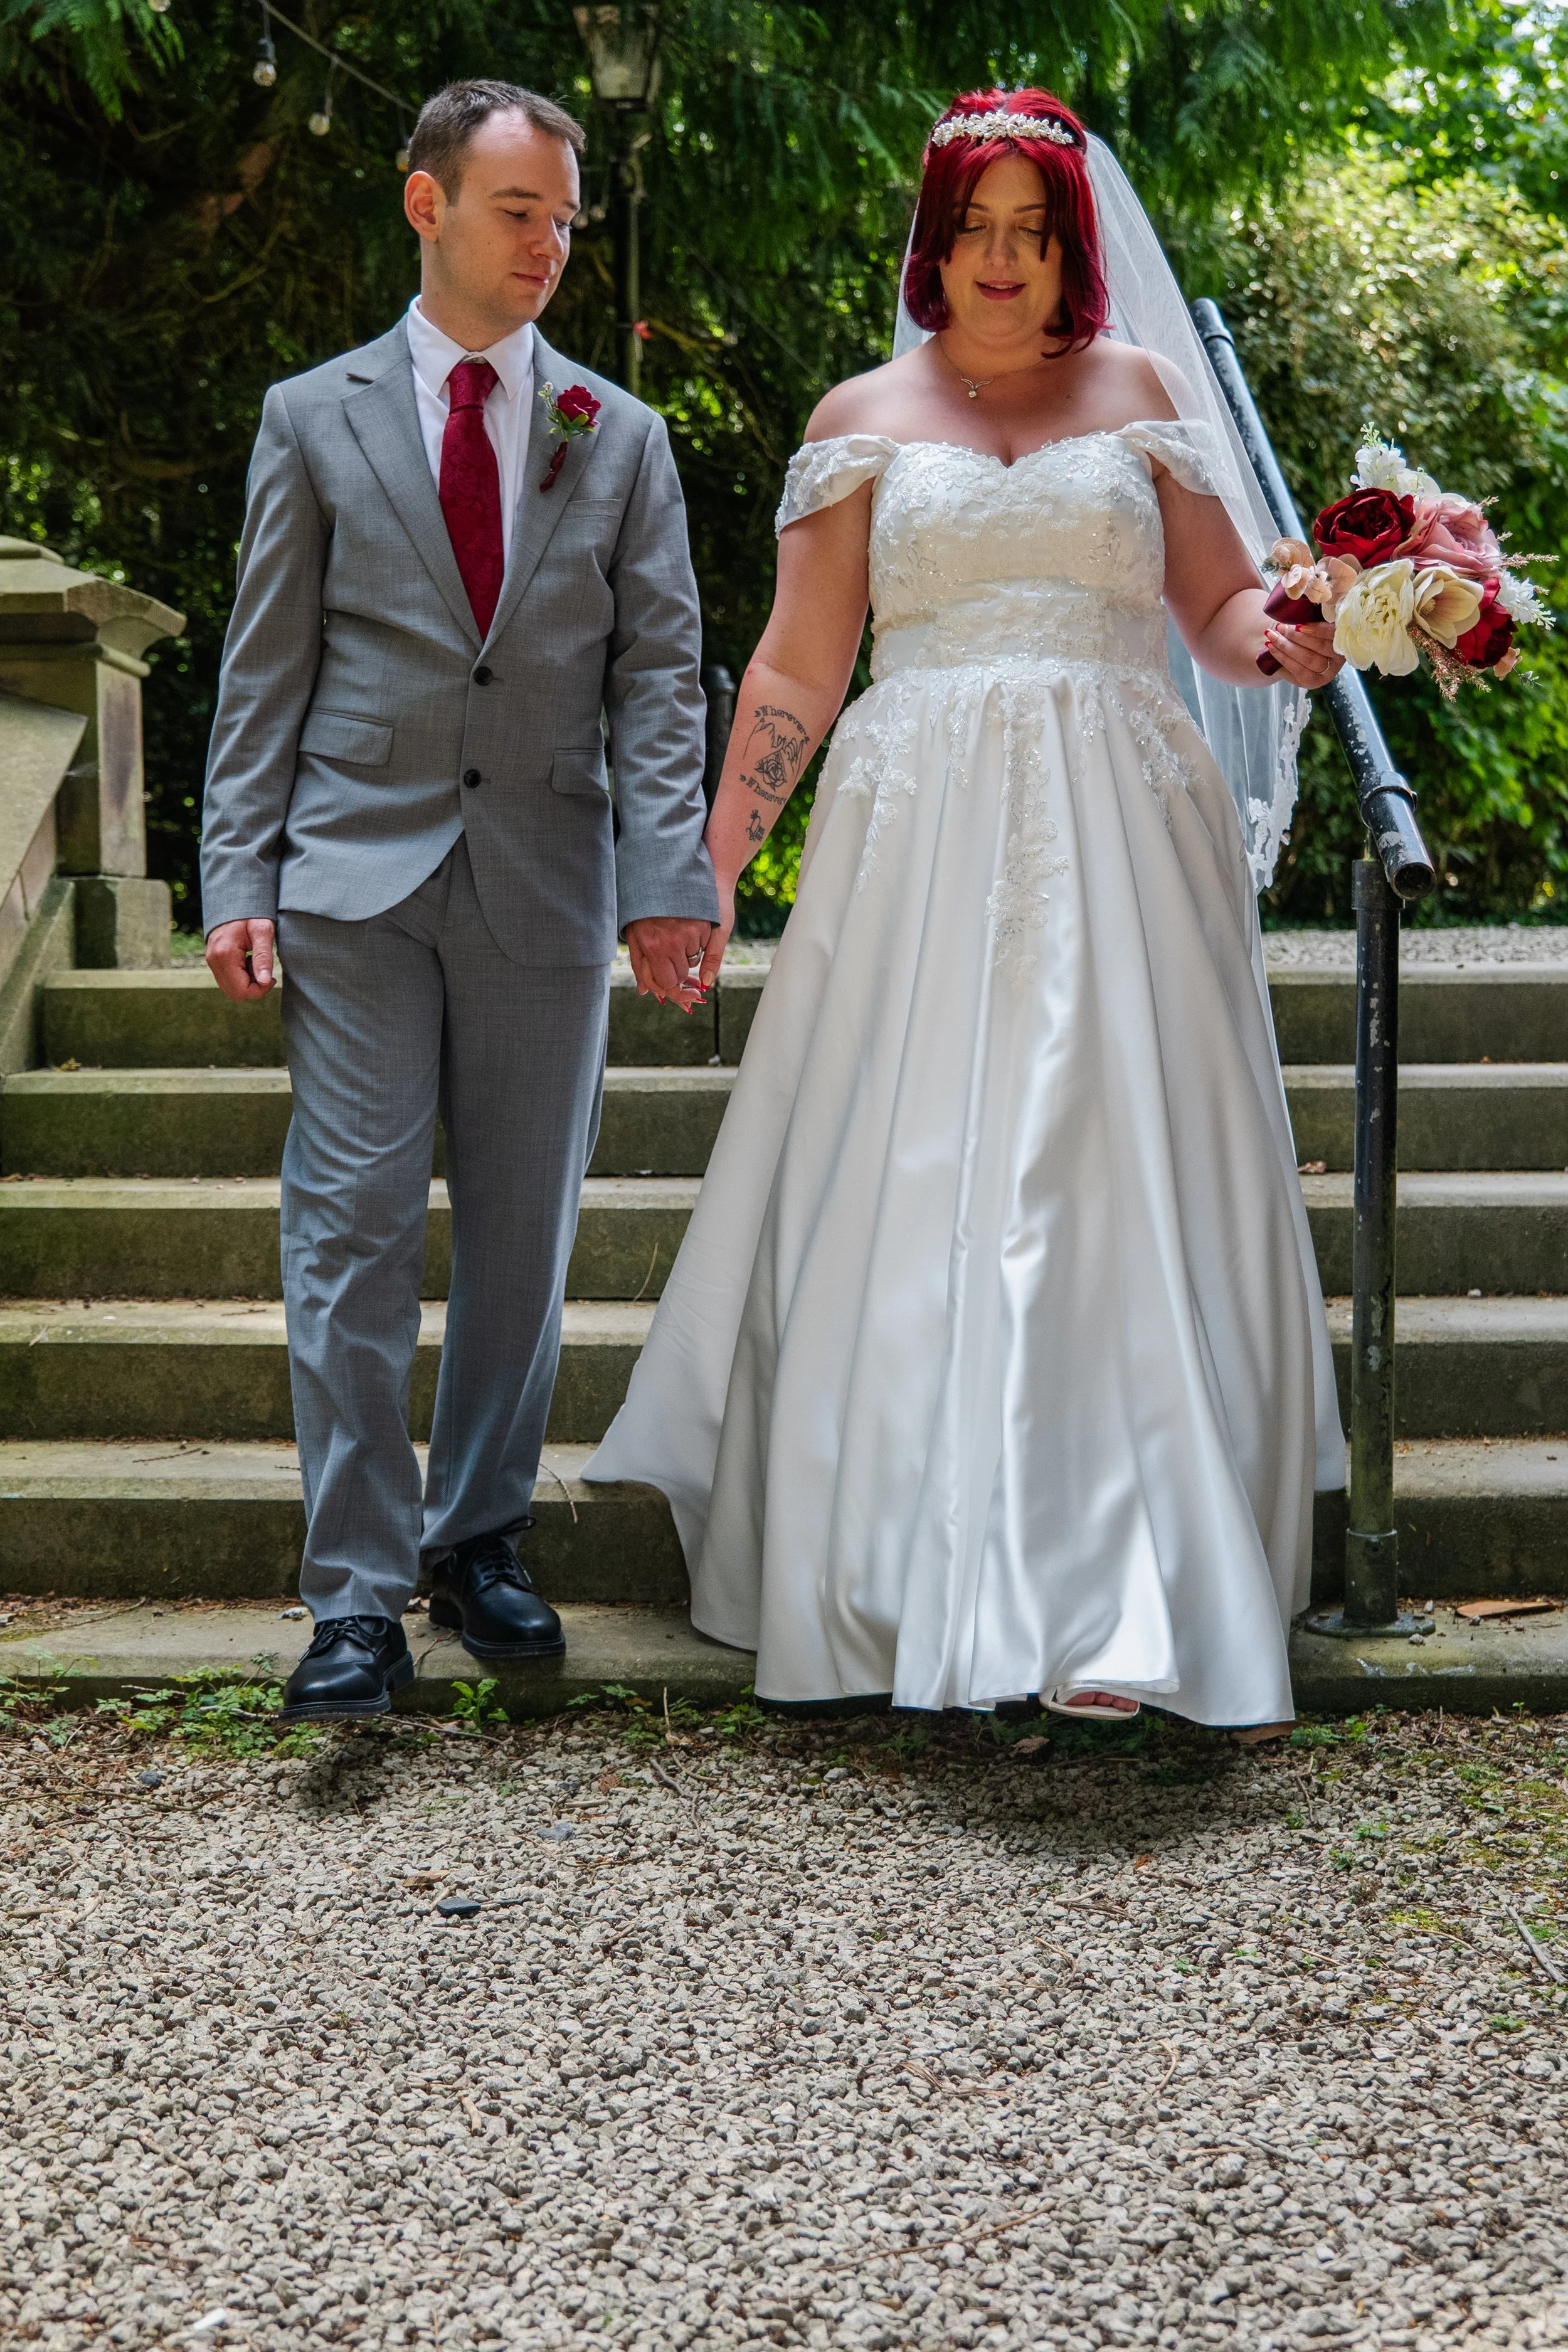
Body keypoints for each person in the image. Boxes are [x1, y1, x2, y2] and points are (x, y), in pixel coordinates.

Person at [586, 87, 1344, 1729]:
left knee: (1100, 1164)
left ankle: (1118, 1581)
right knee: (918, 1166)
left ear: (1072, 245)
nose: (1001, 260)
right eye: (974, 229)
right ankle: (907, 1564)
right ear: (933, 241)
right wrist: (707, 865)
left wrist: (1289, 636)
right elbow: (798, 657)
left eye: (1033, 230)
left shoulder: (1141, 393)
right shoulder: (861, 414)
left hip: (1117, 817)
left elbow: (1212, 605)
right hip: (918, 827)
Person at [199, 79, 716, 1722]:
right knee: (347, 1233)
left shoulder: (617, 436)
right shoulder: (313, 417)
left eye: (564, 216)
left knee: (519, 1231)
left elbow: (659, 686)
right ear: (426, 207)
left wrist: (665, 880)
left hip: (549, 886)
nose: (550, 243)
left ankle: (480, 1531)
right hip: (353, 873)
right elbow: (262, 663)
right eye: (518, 211)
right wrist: (238, 868)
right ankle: (352, 1595)